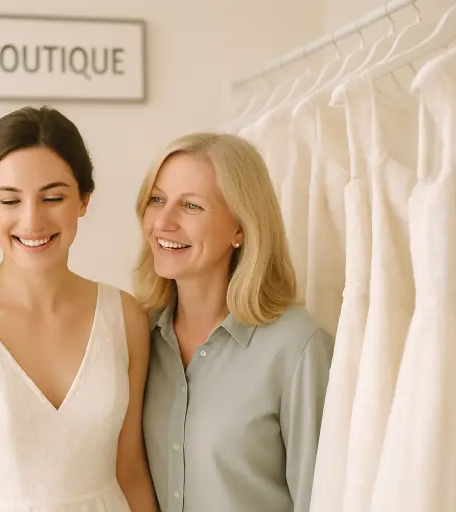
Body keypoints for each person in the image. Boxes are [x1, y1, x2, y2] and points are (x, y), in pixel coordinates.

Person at [0, 106, 157, 512]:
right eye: (10, 200)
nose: (32, 220)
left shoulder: (125, 317)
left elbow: (132, 470)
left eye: (53, 197)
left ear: (84, 200)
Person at [136, 132, 334, 512]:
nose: (163, 221)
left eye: (191, 206)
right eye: (156, 200)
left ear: (240, 228)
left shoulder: (299, 348)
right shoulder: (138, 338)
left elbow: (320, 499)